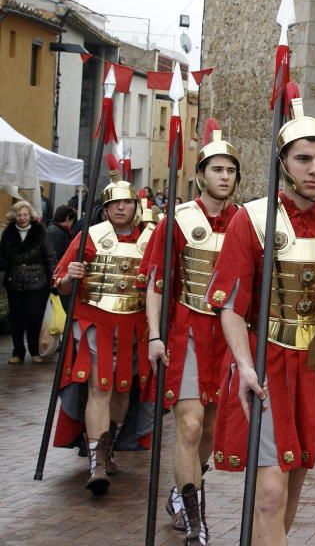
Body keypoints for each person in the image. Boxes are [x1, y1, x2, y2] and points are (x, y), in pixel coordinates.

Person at [207, 101, 315, 545]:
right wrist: (245, 366)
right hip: (267, 361)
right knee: (268, 493)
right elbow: (229, 304)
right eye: (303, 158)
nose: (314, 169)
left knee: (294, 480)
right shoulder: (252, 219)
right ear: (283, 162)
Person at [141, 130, 240, 543]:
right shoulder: (177, 220)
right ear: (201, 174)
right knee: (190, 426)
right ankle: (196, 520)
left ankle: (181, 493)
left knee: (212, 434)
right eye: (217, 169)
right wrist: (154, 335)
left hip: (229, 336)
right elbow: (157, 284)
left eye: (231, 170)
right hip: (188, 332)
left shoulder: (245, 222)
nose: (224, 176)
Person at [52, 156, 154, 495]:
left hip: (135, 327)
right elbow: (61, 282)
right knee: (101, 386)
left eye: (126, 201)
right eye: (114, 203)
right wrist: (71, 276)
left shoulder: (151, 239)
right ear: (106, 209)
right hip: (97, 321)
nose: (121, 208)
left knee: (122, 389)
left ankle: (109, 446)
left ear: (135, 206)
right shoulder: (90, 237)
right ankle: (96, 460)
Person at [0, 201, 55, 364]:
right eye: (19, 215)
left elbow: (50, 255)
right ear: (14, 216)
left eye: (25, 214)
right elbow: (2, 256)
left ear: (30, 215)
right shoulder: (8, 233)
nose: (22, 218)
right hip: (15, 280)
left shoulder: (40, 231)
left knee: (35, 316)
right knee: (16, 318)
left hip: (38, 281)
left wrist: (54, 277)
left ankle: (34, 350)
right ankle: (18, 352)